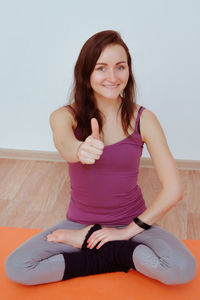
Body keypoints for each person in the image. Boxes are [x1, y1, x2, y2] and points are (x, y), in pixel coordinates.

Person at [5, 30, 196, 286]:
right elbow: (64, 142)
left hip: (132, 225)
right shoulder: (65, 115)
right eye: (101, 68)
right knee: (18, 267)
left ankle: (97, 243)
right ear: (86, 73)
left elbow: (174, 190)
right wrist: (79, 150)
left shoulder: (144, 120)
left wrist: (127, 232)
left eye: (120, 67)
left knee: (182, 269)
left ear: (129, 70)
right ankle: (104, 244)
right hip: (78, 223)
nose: (113, 77)